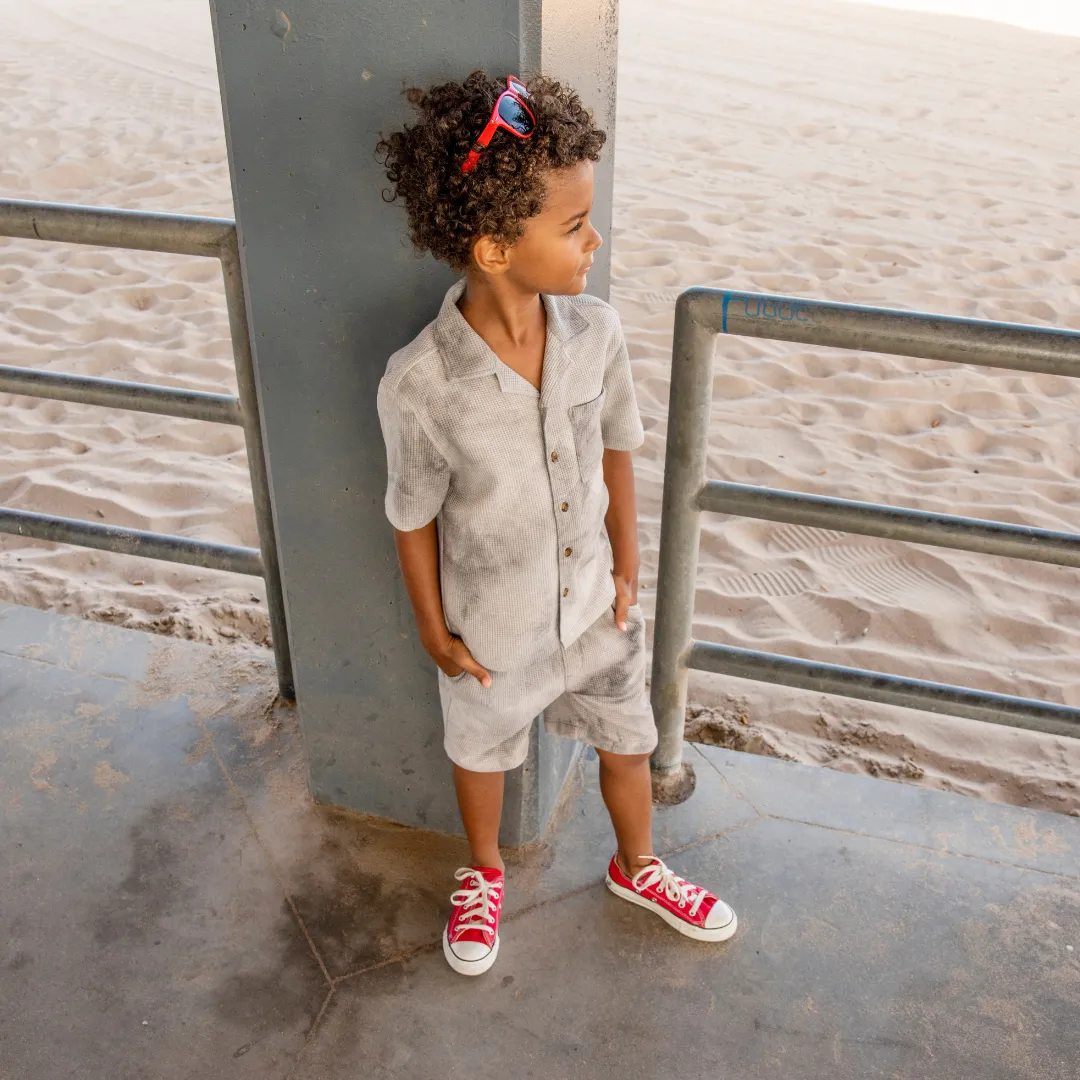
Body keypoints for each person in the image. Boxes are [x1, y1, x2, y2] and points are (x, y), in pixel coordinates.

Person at [376, 71, 736, 976]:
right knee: (482, 743)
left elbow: (617, 447)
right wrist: (432, 629)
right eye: (573, 226)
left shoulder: (598, 333)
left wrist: (628, 567)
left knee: (630, 737)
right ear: (496, 248)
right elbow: (412, 513)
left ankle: (639, 864)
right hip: (492, 627)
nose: (594, 239)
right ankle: (485, 870)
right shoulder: (421, 384)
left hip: (593, 609)